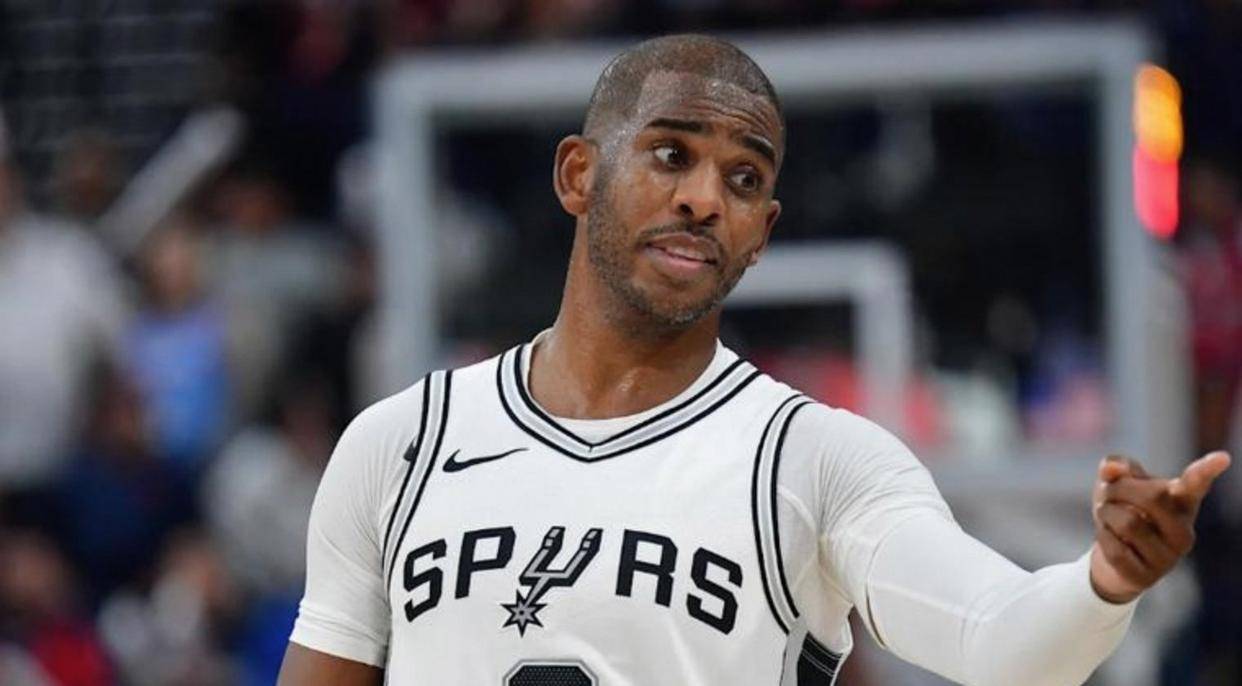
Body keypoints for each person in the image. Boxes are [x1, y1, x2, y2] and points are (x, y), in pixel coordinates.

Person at [277, 35, 1231, 685]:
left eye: (743, 178)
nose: (704, 199)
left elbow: (998, 642)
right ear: (578, 175)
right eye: (670, 155)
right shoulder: (401, 443)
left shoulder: (816, 461)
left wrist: (1104, 581)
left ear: (762, 233)